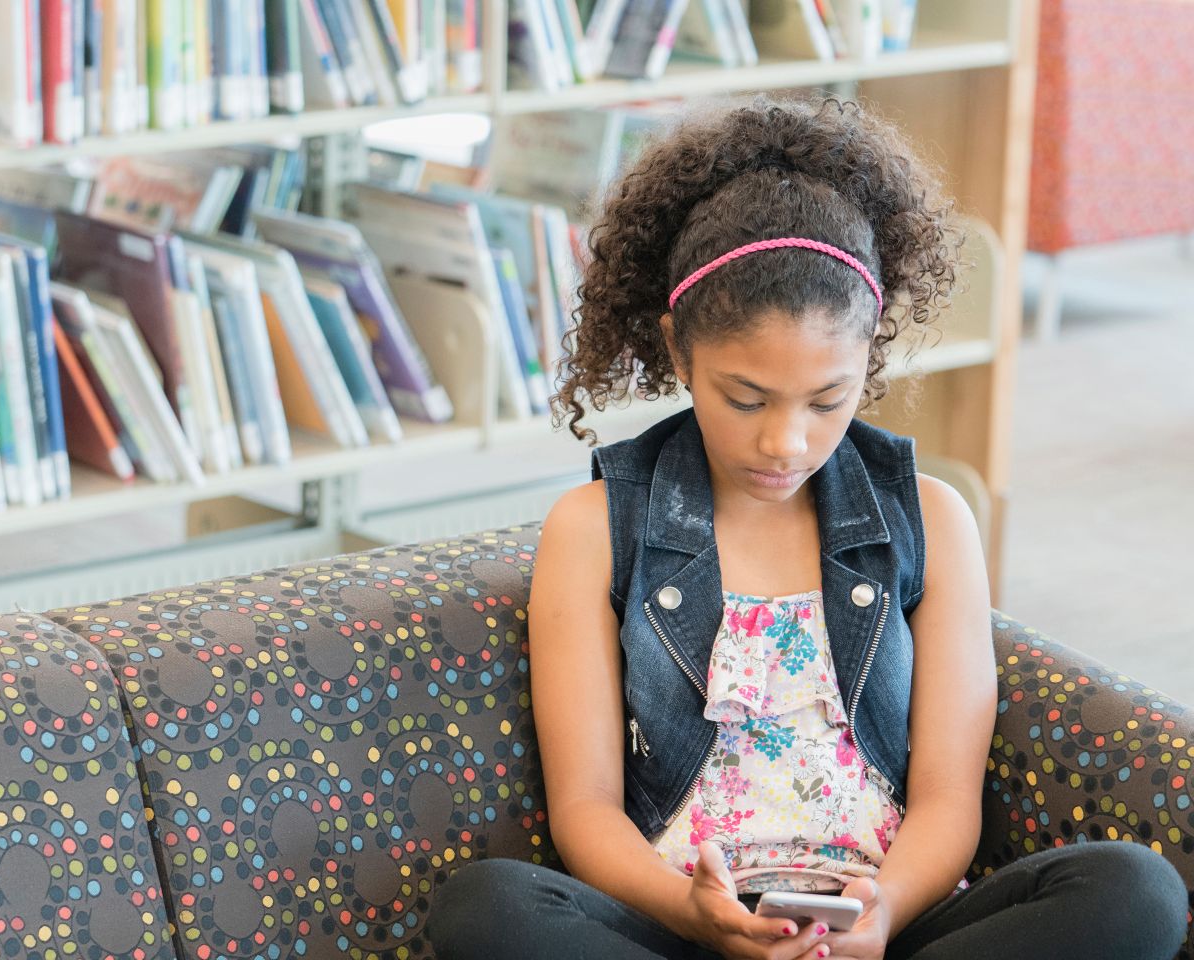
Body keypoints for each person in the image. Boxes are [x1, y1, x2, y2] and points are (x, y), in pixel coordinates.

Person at [424, 95, 1188, 960]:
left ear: (869, 361)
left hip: (883, 928)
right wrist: (693, 913)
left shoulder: (932, 520)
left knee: (1134, 892)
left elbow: (945, 800)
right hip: (683, 929)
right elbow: (587, 813)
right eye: (744, 398)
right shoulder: (596, 528)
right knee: (485, 909)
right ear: (678, 352)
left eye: (829, 399)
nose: (784, 442)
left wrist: (885, 913)